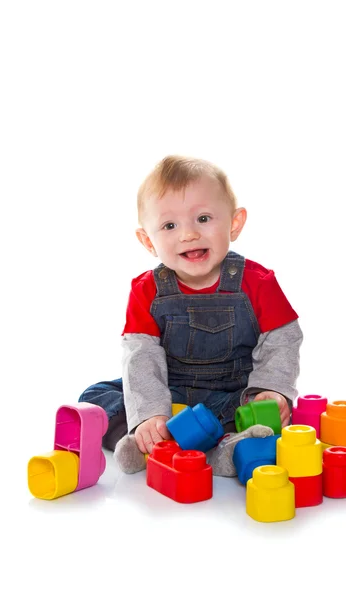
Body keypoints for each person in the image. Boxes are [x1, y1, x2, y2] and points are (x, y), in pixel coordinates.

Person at [79, 155, 303, 476]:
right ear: (148, 240)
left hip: (233, 394)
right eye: (170, 225)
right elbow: (141, 357)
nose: (188, 234)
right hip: (171, 392)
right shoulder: (147, 290)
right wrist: (149, 414)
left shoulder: (258, 282)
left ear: (234, 223)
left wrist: (271, 390)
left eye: (203, 218)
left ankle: (229, 448)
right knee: (96, 396)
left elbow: (282, 341)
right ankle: (145, 436)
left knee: (266, 413)